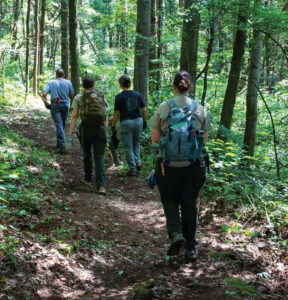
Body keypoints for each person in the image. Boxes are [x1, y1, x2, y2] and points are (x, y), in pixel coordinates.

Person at [150, 70, 212, 262]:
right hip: (193, 166)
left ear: (174, 87)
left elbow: (154, 139)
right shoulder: (199, 108)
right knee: (189, 204)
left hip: (167, 166)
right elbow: (204, 139)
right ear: (189, 87)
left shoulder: (164, 107)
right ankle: (192, 248)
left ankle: (176, 233)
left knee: (169, 200)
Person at [68, 76, 108, 195]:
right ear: (93, 85)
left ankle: (88, 178)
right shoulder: (100, 96)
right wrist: (106, 130)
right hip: (100, 128)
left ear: (83, 85)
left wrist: (70, 131)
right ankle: (101, 186)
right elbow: (105, 114)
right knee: (99, 156)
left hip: (86, 129)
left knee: (87, 153)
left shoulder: (79, 97)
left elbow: (75, 115)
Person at [111, 75, 147, 176]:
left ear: (120, 84)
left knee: (128, 146)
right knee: (136, 142)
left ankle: (132, 168)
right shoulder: (137, 94)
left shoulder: (119, 96)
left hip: (126, 122)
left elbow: (116, 113)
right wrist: (144, 121)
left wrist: (113, 125)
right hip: (138, 120)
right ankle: (138, 162)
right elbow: (144, 109)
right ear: (130, 83)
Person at [43, 69, 74, 154]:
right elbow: (71, 95)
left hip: (55, 105)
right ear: (63, 75)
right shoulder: (68, 82)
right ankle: (59, 143)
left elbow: (44, 94)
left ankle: (63, 146)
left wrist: (45, 101)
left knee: (59, 125)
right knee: (62, 125)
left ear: (56, 75)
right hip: (65, 105)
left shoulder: (51, 82)